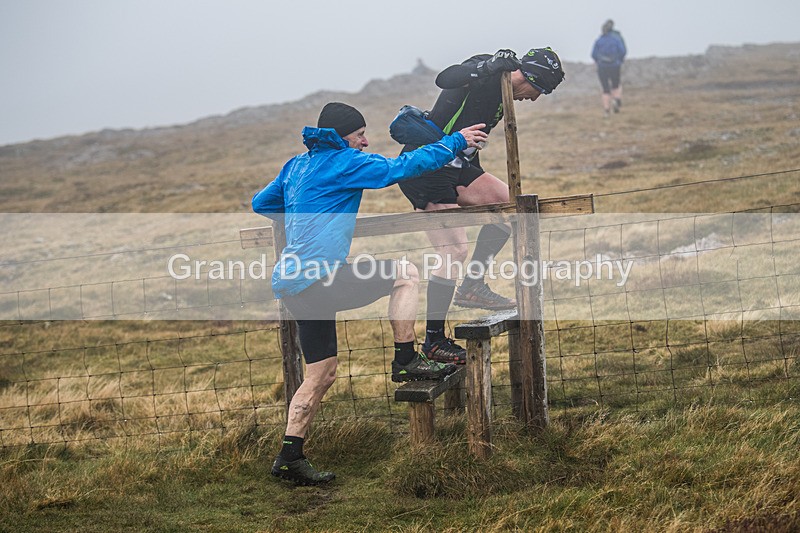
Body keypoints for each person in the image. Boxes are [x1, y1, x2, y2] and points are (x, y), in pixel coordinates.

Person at [252, 102, 488, 486]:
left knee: (320, 375)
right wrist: (455, 141)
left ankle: (288, 457)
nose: (365, 140)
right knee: (406, 273)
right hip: (320, 277)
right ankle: (406, 359)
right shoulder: (344, 162)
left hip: (293, 285)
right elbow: (401, 168)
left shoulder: (297, 166)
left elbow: (261, 203)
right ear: (344, 136)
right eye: (360, 133)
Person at [396, 48, 565, 365]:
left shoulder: (504, 93)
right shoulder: (489, 72)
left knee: (509, 207)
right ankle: (434, 341)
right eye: (540, 90)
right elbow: (444, 78)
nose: (537, 98)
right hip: (427, 166)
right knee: (453, 251)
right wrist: (489, 66)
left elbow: (472, 144)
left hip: (457, 167)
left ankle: (472, 285)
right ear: (529, 76)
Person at [591, 19, 627, 116]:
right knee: (616, 84)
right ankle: (616, 99)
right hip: (615, 65)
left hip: (602, 66)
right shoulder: (616, 39)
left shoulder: (599, 41)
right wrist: (620, 60)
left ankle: (606, 110)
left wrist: (598, 62)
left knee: (605, 89)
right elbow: (623, 51)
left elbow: (593, 54)